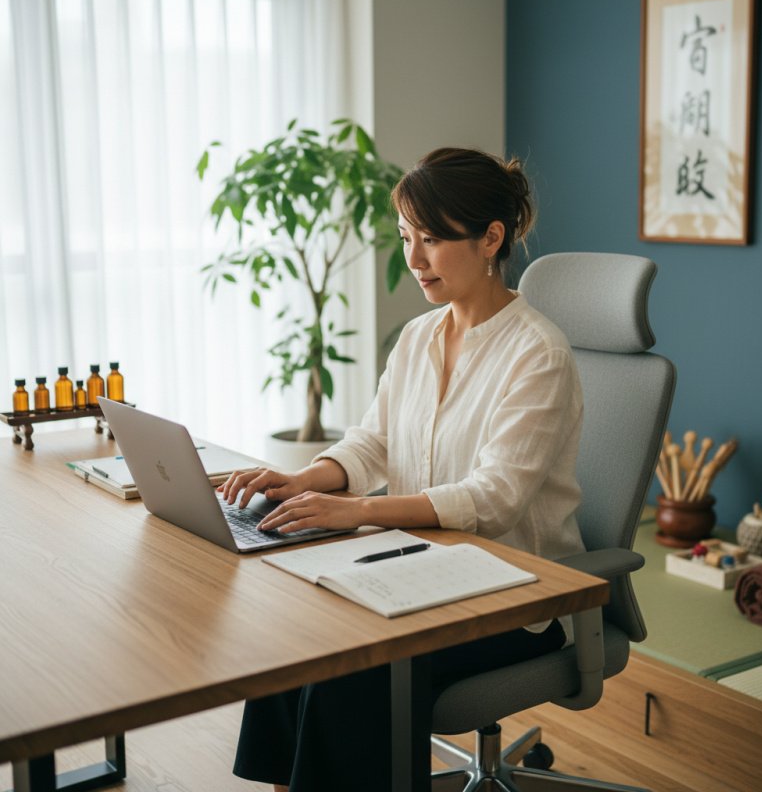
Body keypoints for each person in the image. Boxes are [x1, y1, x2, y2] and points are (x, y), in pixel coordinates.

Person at [220, 147, 585, 792]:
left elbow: (493, 499)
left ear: (490, 238)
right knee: (298, 630)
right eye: (406, 238)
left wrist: (359, 511)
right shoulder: (418, 336)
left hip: (513, 593)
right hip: (419, 567)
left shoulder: (539, 354)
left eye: (433, 241)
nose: (414, 260)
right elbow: (372, 444)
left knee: (356, 666)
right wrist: (307, 479)